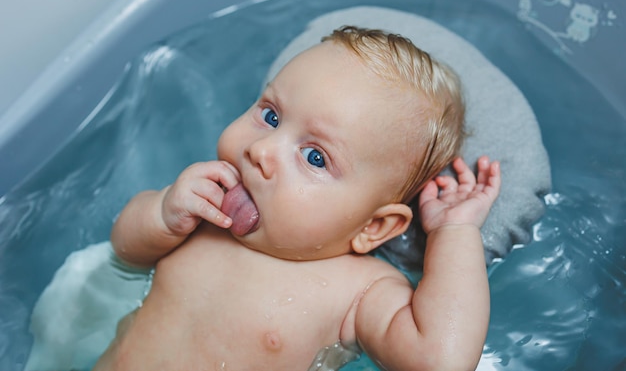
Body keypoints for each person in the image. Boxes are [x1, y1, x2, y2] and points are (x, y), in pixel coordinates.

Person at [93, 26, 500, 371]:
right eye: (270, 115)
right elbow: (125, 250)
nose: (262, 150)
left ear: (372, 227)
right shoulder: (205, 207)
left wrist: (454, 232)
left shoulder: (359, 291)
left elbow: (440, 359)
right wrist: (164, 214)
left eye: (315, 157)